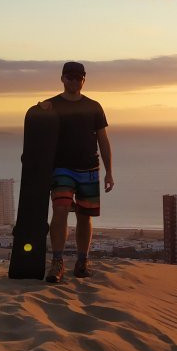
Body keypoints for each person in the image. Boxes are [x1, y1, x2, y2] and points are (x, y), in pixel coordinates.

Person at [40, 61, 113, 283]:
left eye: (77, 77)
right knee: (60, 210)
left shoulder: (94, 107)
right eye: (69, 77)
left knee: (85, 216)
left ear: (84, 79)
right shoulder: (51, 106)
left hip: (89, 168)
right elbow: (37, 135)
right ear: (62, 78)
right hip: (61, 168)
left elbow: (103, 140)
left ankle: (82, 261)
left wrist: (109, 172)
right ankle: (58, 262)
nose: (73, 80)